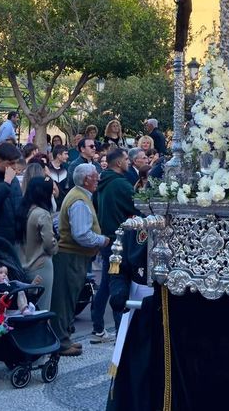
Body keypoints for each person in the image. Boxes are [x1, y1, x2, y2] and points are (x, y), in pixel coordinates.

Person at [52, 164, 105, 358]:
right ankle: (61, 341)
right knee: (65, 300)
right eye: (95, 177)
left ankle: (64, 337)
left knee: (68, 298)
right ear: (86, 180)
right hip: (71, 256)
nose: (98, 179)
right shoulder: (79, 200)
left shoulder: (77, 195)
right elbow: (81, 234)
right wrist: (102, 240)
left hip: (74, 255)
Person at [93, 147, 138, 343]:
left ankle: (97, 324)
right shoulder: (120, 184)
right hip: (120, 241)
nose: (129, 162)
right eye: (126, 159)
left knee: (106, 283)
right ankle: (120, 330)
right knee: (117, 286)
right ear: (119, 163)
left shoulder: (103, 181)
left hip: (108, 238)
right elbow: (138, 206)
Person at [17, 177, 57, 311]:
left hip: (22, 264)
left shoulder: (22, 210)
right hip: (41, 265)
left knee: (25, 307)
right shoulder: (42, 214)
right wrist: (56, 246)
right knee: (42, 307)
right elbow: (49, 244)